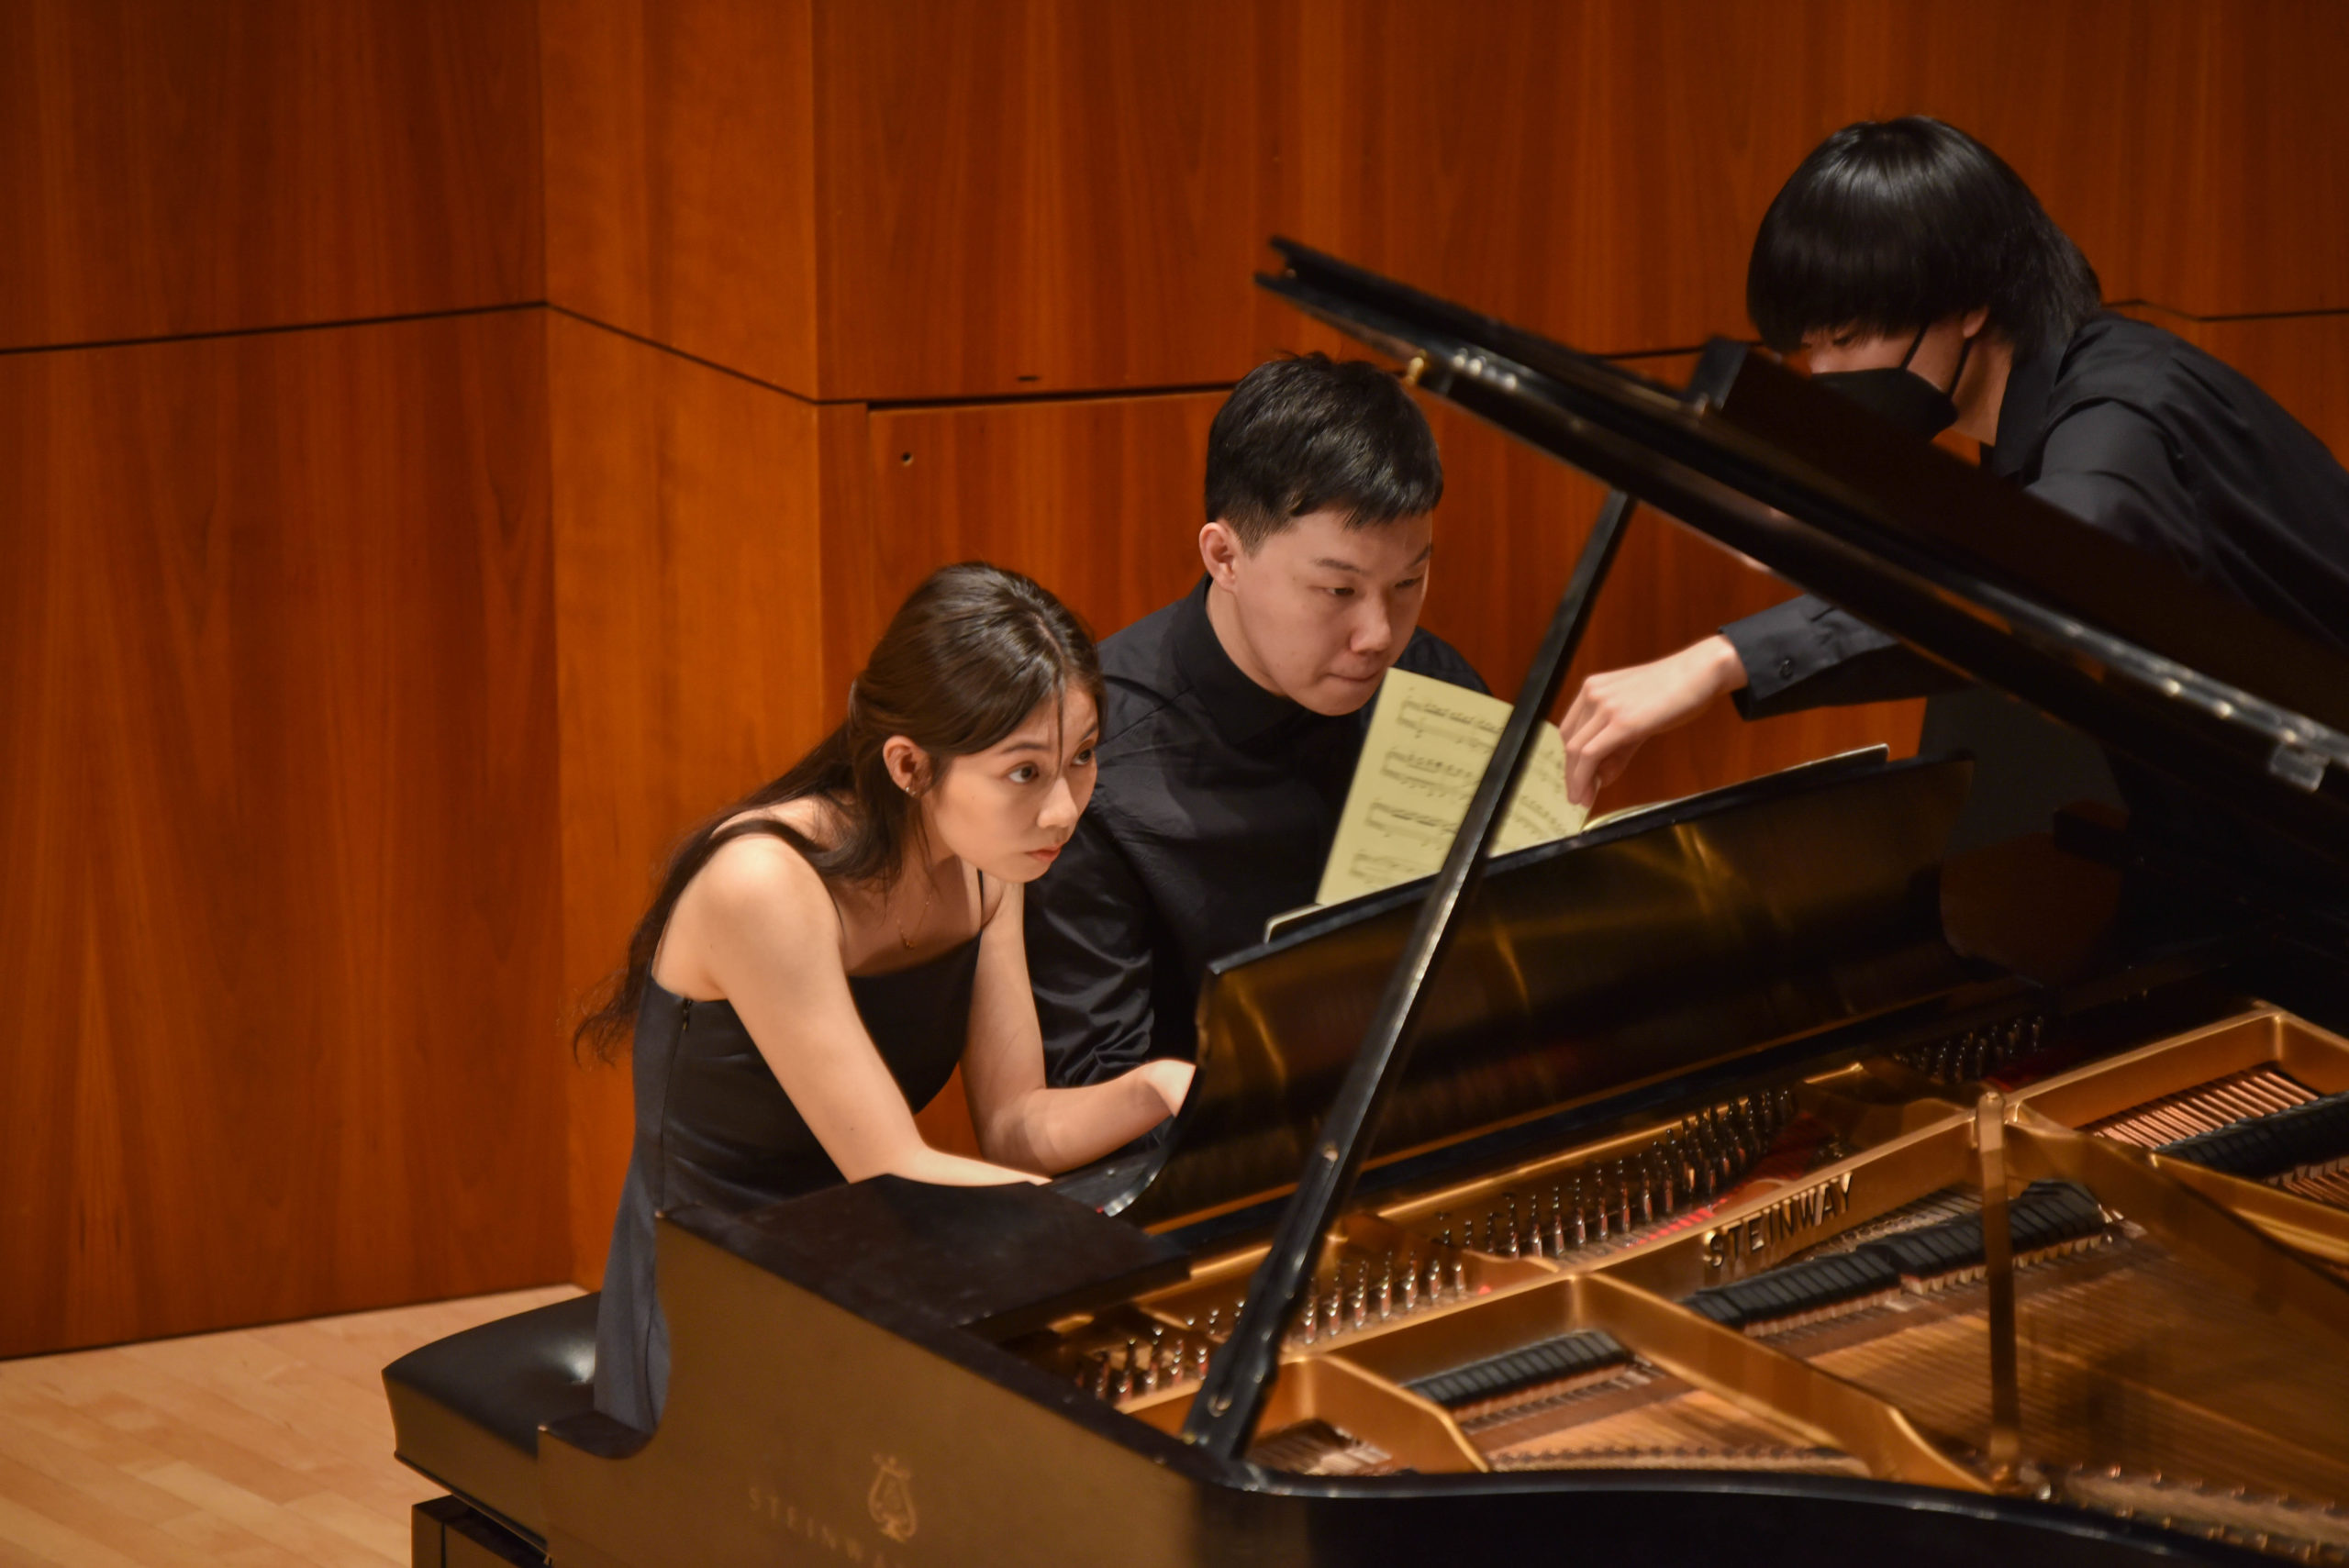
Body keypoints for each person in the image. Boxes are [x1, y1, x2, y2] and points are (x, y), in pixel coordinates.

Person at [1559, 117, 2349, 853]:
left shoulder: (2123, 412)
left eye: (1847, 338)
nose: (1823, 374)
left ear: (1969, 303)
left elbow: (2044, 573)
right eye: (1810, 347)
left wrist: (1722, 658)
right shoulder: (2032, 420)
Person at [576, 562, 1194, 1430]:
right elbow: (892, 1165)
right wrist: (1097, 1235)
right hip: (715, 1299)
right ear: (909, 764)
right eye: (1025, 771)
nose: (1064, 808)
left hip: (871, 1263)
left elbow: (1017, 1124)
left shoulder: (986, 866)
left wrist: (1162, 1086)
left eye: (1082, 757)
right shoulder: (765, 884)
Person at [1025, 353, 1486, 1089]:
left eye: (1408, 582)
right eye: (1338, 590)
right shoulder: (1094, 764)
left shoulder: (1437, 687)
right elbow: (1096, 1088)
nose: (1378, 635)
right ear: (1225, 557)